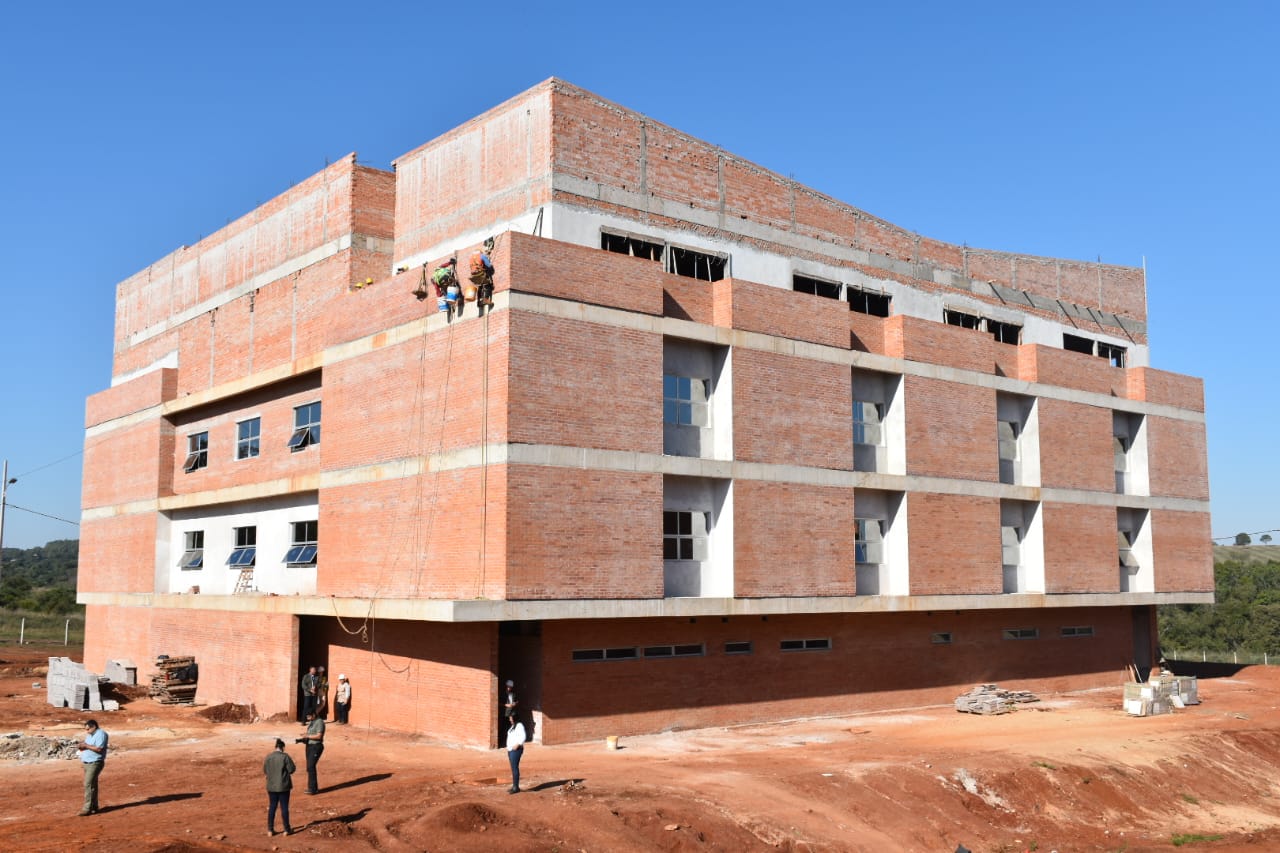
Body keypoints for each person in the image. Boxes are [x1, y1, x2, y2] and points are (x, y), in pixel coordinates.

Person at [263, 737, 296, 837]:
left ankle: (270, 830)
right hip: (283, 786)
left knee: (272, 807)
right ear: (283, 747)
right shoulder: (285, 757)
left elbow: (265, 771)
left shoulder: (268, 757)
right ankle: (286, 829)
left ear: (275, 747)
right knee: (284, 807)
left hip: (271, 786)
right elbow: (292, 770)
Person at [76, 719, 109, 816]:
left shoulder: (101, 734)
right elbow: (88, 746)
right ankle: (94, 806)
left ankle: (87, 808)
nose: (87, 731)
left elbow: (99, 748)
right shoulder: (90, 735)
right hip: (87, 763)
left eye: (88, 729)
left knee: (88, 784)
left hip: (95, 763)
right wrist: (82, 746)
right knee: (92, 785)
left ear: (94, 726)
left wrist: (86, 745)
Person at [300, 710, 326, 794]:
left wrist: (307, 736)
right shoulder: (312, 722)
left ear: (314, 714)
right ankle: (312, 787)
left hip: (316, 746)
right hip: (309, 746)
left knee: (311, 766)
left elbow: (319, 736)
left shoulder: (320, 722)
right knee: (309, 767)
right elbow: (311, 734)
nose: (308, 718)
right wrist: (305, 737)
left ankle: (313, 789)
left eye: (309, 716)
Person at [469, 239, 496, 314]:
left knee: (480, 286)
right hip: (480, 273)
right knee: (487, 284)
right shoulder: (482, 256)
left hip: (474, 275)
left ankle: (479, 301)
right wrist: (490, 268)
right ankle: (486, 299)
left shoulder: (471, 257)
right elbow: (489, 265)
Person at [505, 715, 527, 794]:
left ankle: (516, 787)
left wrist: (517, 744)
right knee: (513, 768)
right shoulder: (513, 726)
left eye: (511, 717)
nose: (510, 719)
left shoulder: (519, 725)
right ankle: (514, 786)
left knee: (515, 768)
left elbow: (523, 736)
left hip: (516, 750)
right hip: (511, 750)